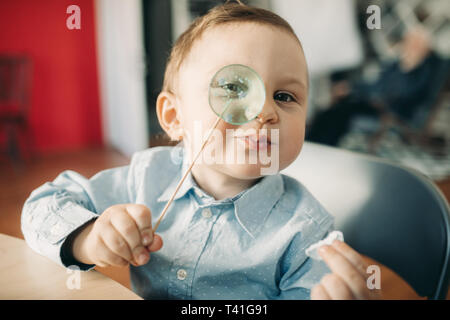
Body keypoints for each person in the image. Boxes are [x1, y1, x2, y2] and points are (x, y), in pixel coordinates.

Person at [21, 2, 381, 300]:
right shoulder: (146, 176)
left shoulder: (305, 231)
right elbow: (42, 205)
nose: (267, 112)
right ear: (174, 117)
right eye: (235, 89)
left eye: (285, 97)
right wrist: (87, 237)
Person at [306, 28, 442, 146]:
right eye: (408, 42)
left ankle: (323, 146)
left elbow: (407, 94)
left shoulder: (424, 71)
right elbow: (375, 85)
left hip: (390, 112)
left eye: (415, 44)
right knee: (331, 110)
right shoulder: (396, 65)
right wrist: (350, 87)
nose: (409, 47)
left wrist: (409, 68)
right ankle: (313, 143)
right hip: (374, 103)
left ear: (425, 49)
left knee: (342, 113)